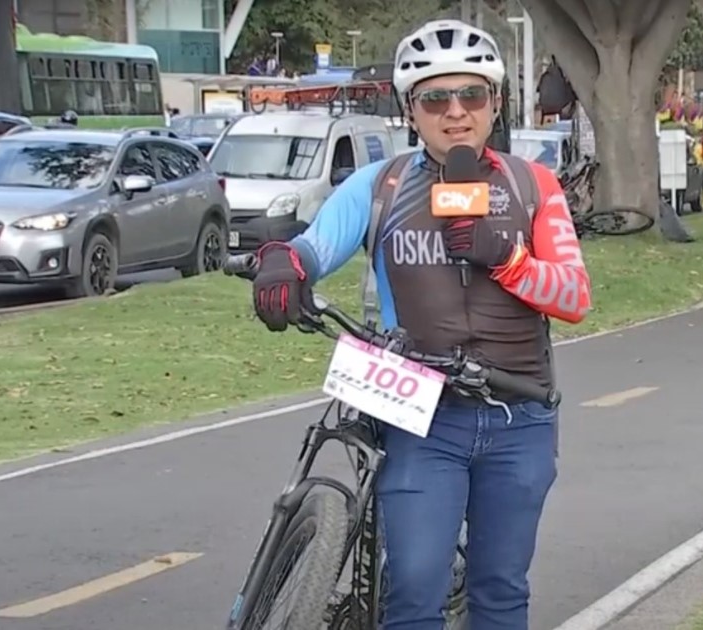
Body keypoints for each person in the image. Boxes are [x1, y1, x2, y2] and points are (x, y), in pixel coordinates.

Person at [248, 19, 591, 630]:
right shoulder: (381, 186)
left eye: (472, 96)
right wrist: (282, 263)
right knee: (412, 593)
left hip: (521, 416)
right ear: (411, 108)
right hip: (423, 419)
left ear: (496, 103)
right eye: (436, 98)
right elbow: (315, 247)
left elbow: (574, 295)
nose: (455, 113)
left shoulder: (532, 185)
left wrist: (507, 259)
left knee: (501, 592)